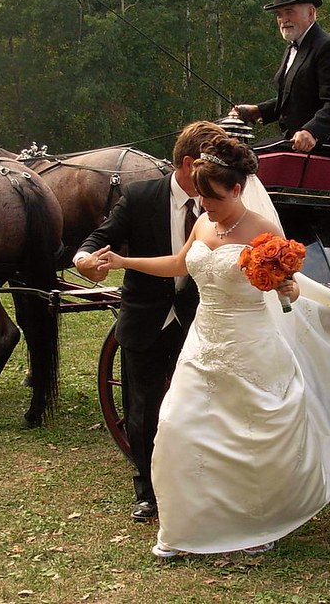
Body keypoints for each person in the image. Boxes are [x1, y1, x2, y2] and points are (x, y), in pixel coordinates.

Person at [95, 135, 330, 557]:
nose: (205, 205)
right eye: (200, 196)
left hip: (250, 344)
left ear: (236, 189)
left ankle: (258, 522)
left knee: (251, 436)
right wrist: (124, 261)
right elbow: (179, 263)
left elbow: (288, 289)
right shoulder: (203, 223)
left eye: (213, 197)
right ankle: (183, 528)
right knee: (177, 424)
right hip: (203, 340)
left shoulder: (264, 231)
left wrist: (285, 286)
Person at [73, 120, 227, 523]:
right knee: (141, 407)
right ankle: (148, 490)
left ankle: (197, 479)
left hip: (200, 320)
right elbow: (98, 238)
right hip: (146, 319)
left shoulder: (220, 207)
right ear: (188, 163)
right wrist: (85, 260)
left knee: (197, 403)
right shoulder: (141, 197)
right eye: (208, 168)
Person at [235, 0, 330, 153]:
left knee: (243, 159)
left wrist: (311, 131)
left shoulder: (328, 48)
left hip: (322, 147)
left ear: (310, 13)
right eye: (279, 14)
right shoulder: (294, 46)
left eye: (289, 11)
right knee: (236, 153)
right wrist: (258, 110)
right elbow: (295, 98)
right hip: (292, 141)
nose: (283, 19)